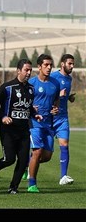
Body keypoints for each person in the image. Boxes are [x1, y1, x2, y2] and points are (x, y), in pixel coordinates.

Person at [0, 59, 42, 194]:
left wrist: (35, 114)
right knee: (9, 159)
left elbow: (27, 107)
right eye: (26, 70)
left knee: (23, 161)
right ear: (18, 70)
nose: (29, 73)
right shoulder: (7, 87)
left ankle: (13, 187)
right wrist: (3, 117)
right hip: (8, 131)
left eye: (30, 70)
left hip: (24, 131)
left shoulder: (31, 89)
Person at [27, 54, 60, 193]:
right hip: (34, 123)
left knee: (46, 156)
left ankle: (26, 165)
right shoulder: (32, 83)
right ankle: (32, 184)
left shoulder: (55, 84)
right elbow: (25, 102)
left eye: (50, 65)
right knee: (37, 151)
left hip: (49, 124)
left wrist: (55, 108)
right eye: (46, 65)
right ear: (39, 66)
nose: (49, 67)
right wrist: (31, 109)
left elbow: (56, 100)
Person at [51, 54, 75, 185]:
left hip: (62, 118)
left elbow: (63, 96)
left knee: (64, 145)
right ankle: (28, 167)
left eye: (73, 64)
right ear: (62, 64)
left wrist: (69, 97)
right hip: (50, 117)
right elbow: (48, 94)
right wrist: (59, 96)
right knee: (42, 152)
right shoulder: (53, 77)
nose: (72, 66)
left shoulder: (69, 79)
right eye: (69, 63)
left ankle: (63, 176)